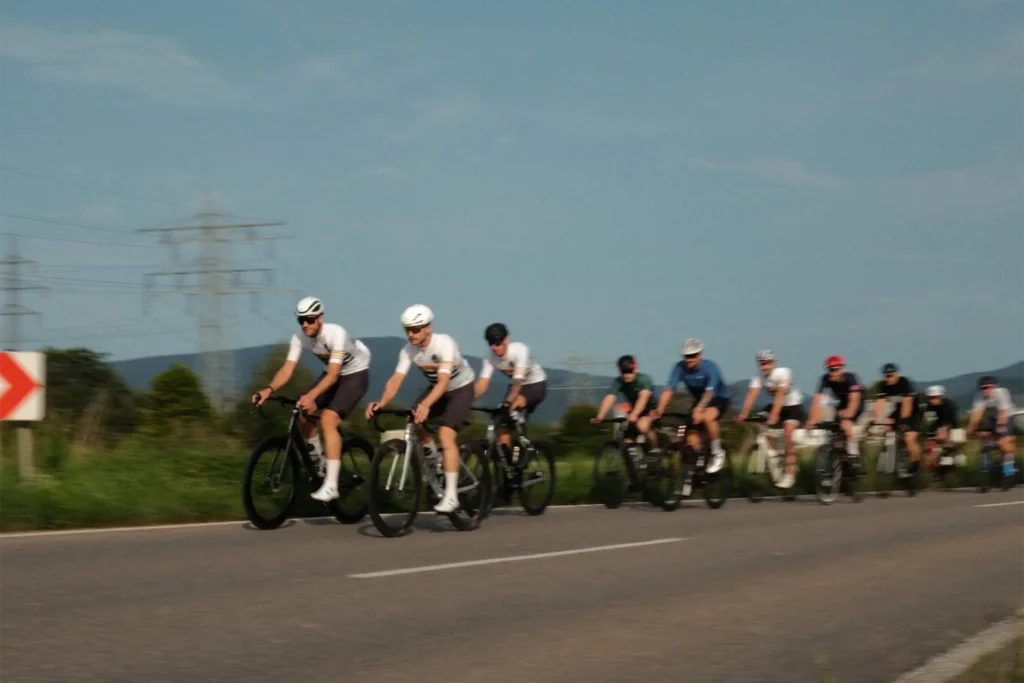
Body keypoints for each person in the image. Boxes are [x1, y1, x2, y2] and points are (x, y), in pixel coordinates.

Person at [251, 296, 371, 502]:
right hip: (332, 373)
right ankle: (319, 463)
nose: (305, 324)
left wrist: (311, 395)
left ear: (320, 318)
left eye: (310, 319)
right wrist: (268, 390)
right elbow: (288, 369)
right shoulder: (300, 337)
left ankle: (332, 486)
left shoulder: (336, 334)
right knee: (302, 414)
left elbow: (334, 375)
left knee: (327, 420)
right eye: (301, 320)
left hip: (354, 374)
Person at [365, 304, 475, 514]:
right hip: (438, 389)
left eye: (415, 329)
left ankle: (452, 496)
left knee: (445, 435)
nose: (411, 334)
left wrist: (426, 404)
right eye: (407, 329)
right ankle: (433, 460)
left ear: (428, 327)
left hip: (460, 389)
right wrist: (381, 402)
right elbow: (397, 378)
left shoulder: (445, 344)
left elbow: (444, 382)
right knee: (414, 420)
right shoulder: (409, 350)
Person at [654, 338, 730, 473]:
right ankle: (694, 466)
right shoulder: (679, 368)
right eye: (687, 356)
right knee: (689, 433)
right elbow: (669, 390)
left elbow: (709, 393)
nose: (690, 359)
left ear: (700, 355)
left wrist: (699, 409)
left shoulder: (710, 367)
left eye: (693, 356)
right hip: (699, 401)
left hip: (718, 398)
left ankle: (717, 451)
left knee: (707, 417)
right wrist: (660, 408)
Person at [474, 323, 548, 461]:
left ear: (506, 340)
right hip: (516, 386)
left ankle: (525, 447)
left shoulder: (520, 350)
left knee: (513, 405)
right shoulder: (490, 359)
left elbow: (518, 381)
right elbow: (482, 384)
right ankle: (509, 465)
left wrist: (508, 403)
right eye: (490, 343)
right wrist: (466, 400)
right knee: (502, 427)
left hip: (535, 384)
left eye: (497, 342)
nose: (494, 347)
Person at [736, 349, 803, 489]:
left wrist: (774, 416)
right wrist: (743, 413)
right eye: (761, 363)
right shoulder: (758, 376)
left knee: (788, 433)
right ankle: (773, 454)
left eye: (767, 363)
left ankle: (790, 473)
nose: (764, 366)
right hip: (775, 405)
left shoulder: (783, 373)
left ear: (773, 363)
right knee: (758, 421)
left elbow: (780, 394)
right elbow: (751, 395)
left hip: (792, 405)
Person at [806, 355, 863, 468]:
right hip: (841, 403)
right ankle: (834, 456)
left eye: (836, 370)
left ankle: (854, 457)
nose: (833, 373)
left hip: (856, 402)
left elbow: (854, 400)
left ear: (842, 369)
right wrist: (812, 419)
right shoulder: (825, 379)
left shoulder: (851, 378)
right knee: (831, 428)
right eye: (830, 370)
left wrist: (848, 416)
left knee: (846, 427)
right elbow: (818, 400)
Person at [591, 355, 660, 449]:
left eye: (630, 371)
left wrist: (635, 414)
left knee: (642, 426)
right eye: (624, 372)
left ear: (635, 369)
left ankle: (655, 448)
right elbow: (610, 398)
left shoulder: (643, 379)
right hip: (635, 412)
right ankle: (634, 461)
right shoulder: (619, 381)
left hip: (651, 410)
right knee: (627, 442)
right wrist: (600, 415)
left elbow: (643, 398)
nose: (627, 375)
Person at [870, 362, 922, 474]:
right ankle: (889, 462)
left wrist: (903, 421)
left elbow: (907, 403)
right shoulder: (883, 386)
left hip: (913, 413)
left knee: (909, 438)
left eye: (891, 376)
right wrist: (875, 420)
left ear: (896, 374)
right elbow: (879, 403)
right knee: (886, 430)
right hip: (897, 412)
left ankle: (916, 463)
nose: (889, 379)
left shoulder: (904, 382)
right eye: (886, 376)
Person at [966, 375, 1019, 479]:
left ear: (994, 386)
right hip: (992, 418)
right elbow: (977, 413)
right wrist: (971, 427)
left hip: (1008, 416)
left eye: (988, 387)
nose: (985, 390)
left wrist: (1000, 426)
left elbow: (1003, 411)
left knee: (1003, 443)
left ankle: (1009, 464)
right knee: (985, 440)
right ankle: (986, 466)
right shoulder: (979, 396)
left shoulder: (1002, 392)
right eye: (982, 388)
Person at [921, 385, 959, 469]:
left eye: (934, 397)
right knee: (928, 448)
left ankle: (950, 459)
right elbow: (925, 420)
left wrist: (943, 431)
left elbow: (949, 421)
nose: (932, 400)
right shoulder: (927, 406)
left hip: (950, 427)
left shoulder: (948, 405)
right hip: (936, 427)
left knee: (945, 442)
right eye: (930, 397)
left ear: (941, 396)